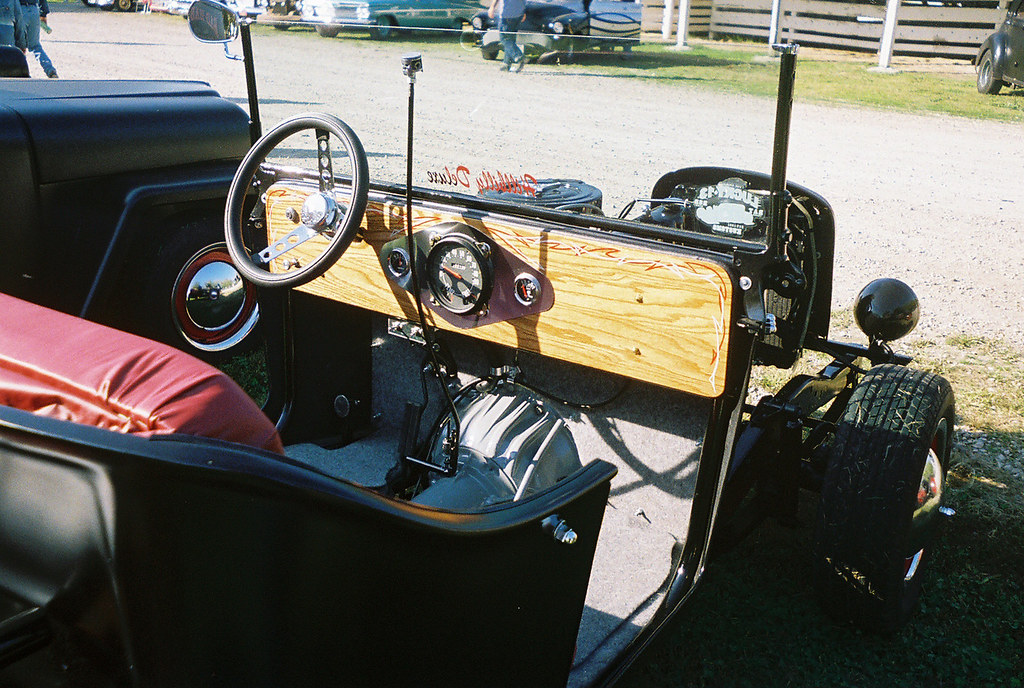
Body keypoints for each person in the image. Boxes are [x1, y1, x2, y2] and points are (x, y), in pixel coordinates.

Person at [17, 0, 56, 78]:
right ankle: (49, 69)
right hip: (34, 10)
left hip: (19, 10)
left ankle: (21, 71)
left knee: (18, 46)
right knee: (35, 46)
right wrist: (43, 14)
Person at [487, 0, 524, 73]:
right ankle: (506, 64)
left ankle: (517, 55)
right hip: (517, 15)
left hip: (506, 15)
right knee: (510, 40)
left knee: (504, 39)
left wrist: (492, 7)